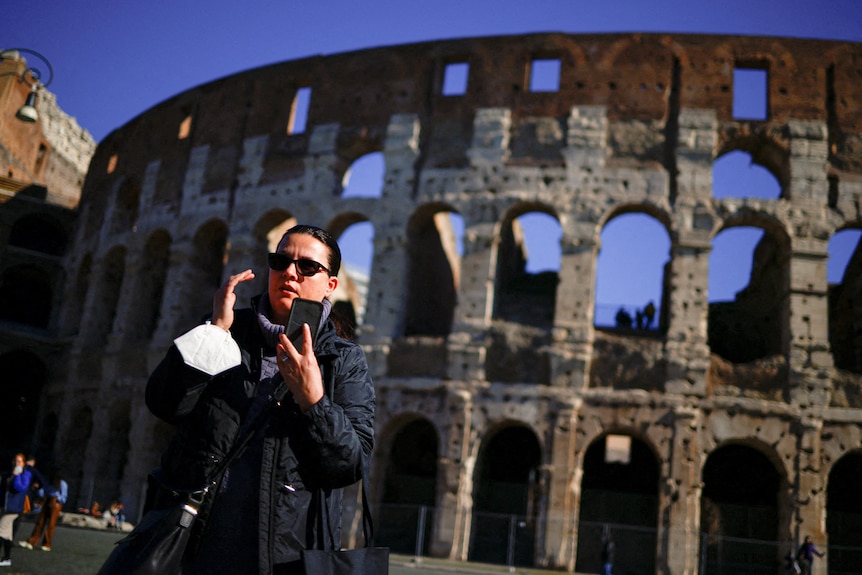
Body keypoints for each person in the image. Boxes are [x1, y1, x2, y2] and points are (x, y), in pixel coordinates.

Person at [144, 224, 375, 575]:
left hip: (285, 556)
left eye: (307, 267)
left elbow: (350, 463)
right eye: (280, 261)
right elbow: (165, 403)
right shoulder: (225, 331)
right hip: (200, 546)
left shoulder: (343, 359)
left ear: (331, 284)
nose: (290, 273)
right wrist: (214, 333)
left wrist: (314, 402)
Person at [19, 472, 67, 552]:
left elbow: (64, 497)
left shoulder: (62, 484)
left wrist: (57, 498)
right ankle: (32, 541)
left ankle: (47, 544)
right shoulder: (48, 482)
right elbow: (42, 491)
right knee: (40, 522)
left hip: (56, 503)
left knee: (51, 524)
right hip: (47, 500)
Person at [0, 453, 33, 567]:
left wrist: (17, 475)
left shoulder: (25, 475)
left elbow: (20, 488)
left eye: (19, 461)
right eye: (15, 461)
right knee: (7, 535)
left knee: (0, 530)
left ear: (24, 463)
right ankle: (7, 558)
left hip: (14, 508)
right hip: (6, 506)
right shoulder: (9, 474)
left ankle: (6, 558)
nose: (17, 463)